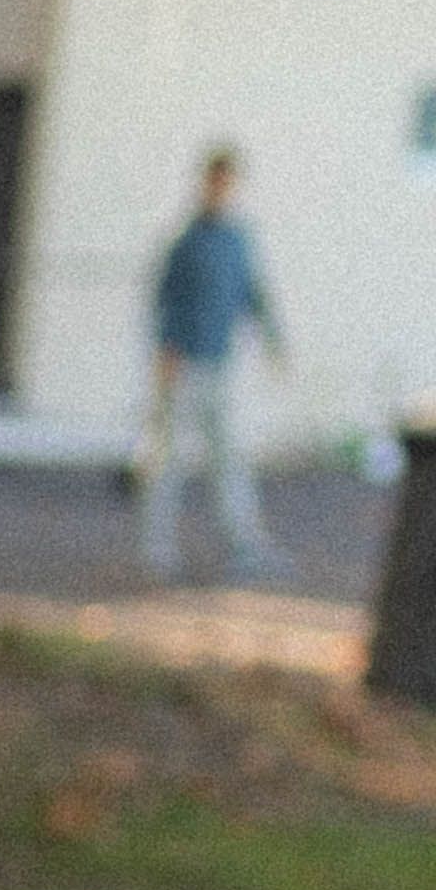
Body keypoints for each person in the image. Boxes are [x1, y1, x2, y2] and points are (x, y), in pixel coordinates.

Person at [142, 147, 286, 583]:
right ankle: (157, 550)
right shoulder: (187, 241)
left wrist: (273, 340)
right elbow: (164, 298)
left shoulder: (238, 241)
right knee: (167, 458)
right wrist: (167, 349)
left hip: (218, 364)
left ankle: (244, 545)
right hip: (183, 364)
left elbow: (252, 293)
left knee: (227, 458)